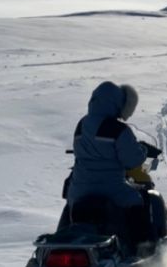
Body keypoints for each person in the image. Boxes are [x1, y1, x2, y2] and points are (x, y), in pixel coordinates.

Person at [64, 81, 153, 250]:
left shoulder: (81, 125)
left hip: (80, 190)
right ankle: (142, 248)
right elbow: (132, 161)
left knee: (70, 203)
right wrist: (142, 150)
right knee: (139, 200)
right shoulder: (118, 129)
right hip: (111, 189)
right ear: (116, 103)